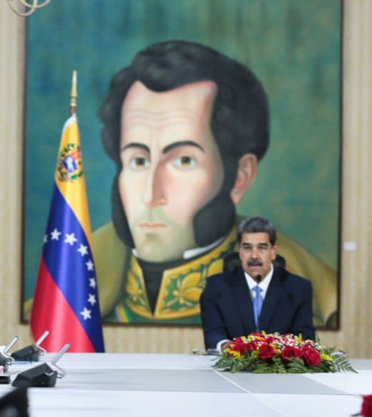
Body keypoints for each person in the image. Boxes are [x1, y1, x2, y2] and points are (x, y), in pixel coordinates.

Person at [87, 40, 337, 326]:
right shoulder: (72, 288)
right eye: (139, 161)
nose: (150, 195)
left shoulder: (304, 309)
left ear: (240, 177)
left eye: (184, 161)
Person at [200, 216, 315, 351]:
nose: (254, 256)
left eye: (262, 248)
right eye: (247, 248)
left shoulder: (298, 288)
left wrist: (274, 352)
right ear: (240, 252)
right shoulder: (217, 286)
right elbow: (213, 333)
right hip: (232, 368)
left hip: (280, 369)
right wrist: (229, 348)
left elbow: (304, 336)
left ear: (273, 252)